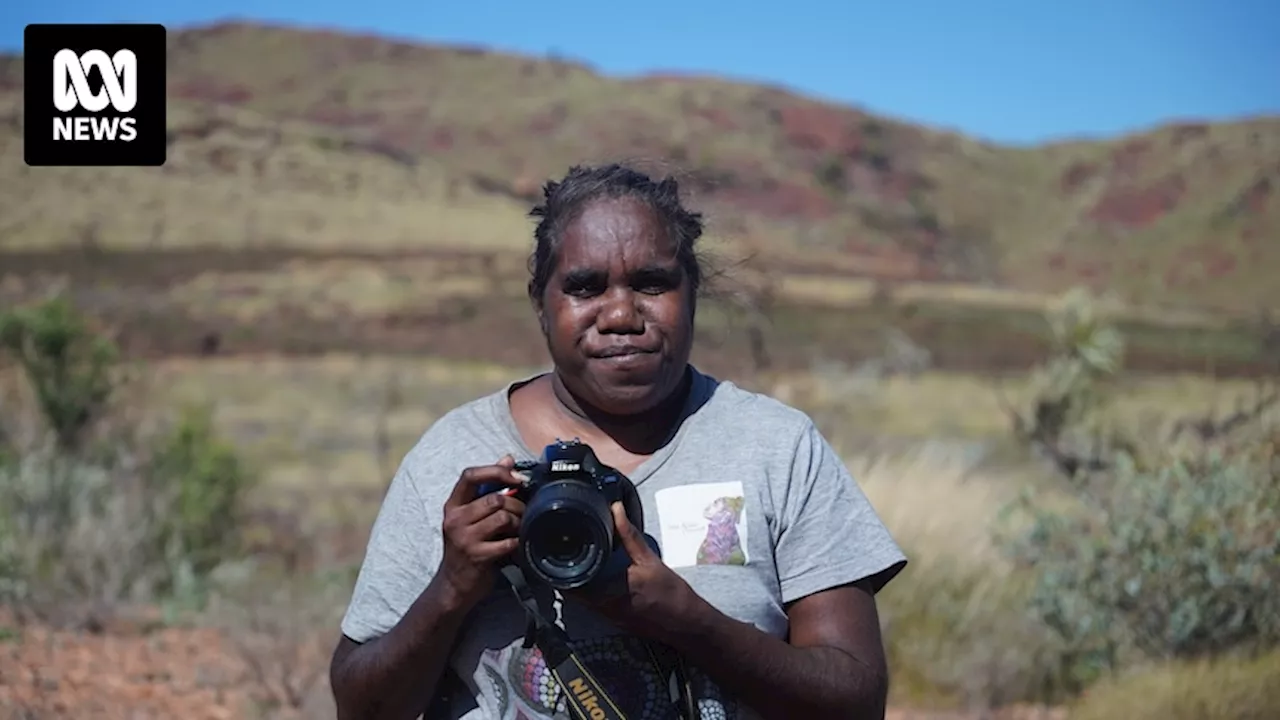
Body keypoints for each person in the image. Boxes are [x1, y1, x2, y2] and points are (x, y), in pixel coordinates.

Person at [329, 163, 908, 720]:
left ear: (693, 292)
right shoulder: (456, 455)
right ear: (541, 302)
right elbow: (359, 708)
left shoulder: (776, 449)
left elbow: (856, 703)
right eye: (585, 287)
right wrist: (450, 588)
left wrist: (688, 621)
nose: (621, 314)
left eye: (652, 283)